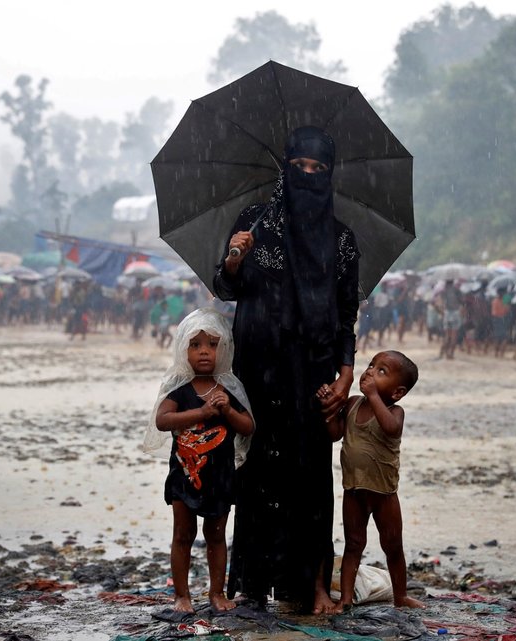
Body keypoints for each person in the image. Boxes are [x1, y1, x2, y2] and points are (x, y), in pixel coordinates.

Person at [214, 126, 359, 613]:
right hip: (257, 369)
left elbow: (346, 315)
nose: (308, 176)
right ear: (286, 169)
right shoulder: (254, 222)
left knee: (310, 474)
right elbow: (226, 288)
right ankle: (252, 582)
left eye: (319, 170)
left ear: (330, 175)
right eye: (300, 167)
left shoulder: (341, 242)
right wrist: (236, 258)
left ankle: (314, 584)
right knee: (256, 471)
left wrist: (345, 374)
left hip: (312, 372)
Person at [143, 308, 255, 613]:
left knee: (216, 536)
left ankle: (216, 593)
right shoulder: (179, 387)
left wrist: (228, 412)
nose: (204, 352)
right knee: (183, 534)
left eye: (212, 344)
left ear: (225, 349)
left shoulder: (230, 389)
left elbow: (248, 427)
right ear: (183, 350)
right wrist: (201, 413)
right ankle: (182, 595)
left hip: (220, 477)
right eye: (195, 345)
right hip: (184, 476)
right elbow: (163, 420)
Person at [324, 350, 425, 612]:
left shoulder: (395, 411)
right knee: (353, 544)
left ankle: (400, 596)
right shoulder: (353, 403)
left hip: (384, 494)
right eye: (371, 365)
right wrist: (329, 412)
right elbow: (335, 435)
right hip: (354, 490)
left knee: (393, 545)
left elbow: (391, 428)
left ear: (397, 392)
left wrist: (372, 396)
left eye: (381, 371)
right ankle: (345, 599)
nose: (370, 371)